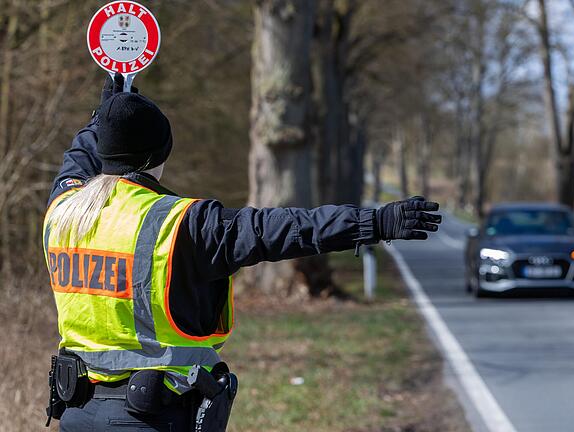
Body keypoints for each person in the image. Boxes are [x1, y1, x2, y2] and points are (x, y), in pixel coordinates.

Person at [43, 74, 442, 431]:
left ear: (106, 150)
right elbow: (289, 228)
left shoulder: (64, 209)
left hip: (79, 414)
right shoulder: (184, 224)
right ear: (158, 157)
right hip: (155, 418)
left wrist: (103, 117)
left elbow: (77, 159)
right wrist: (374, 223)